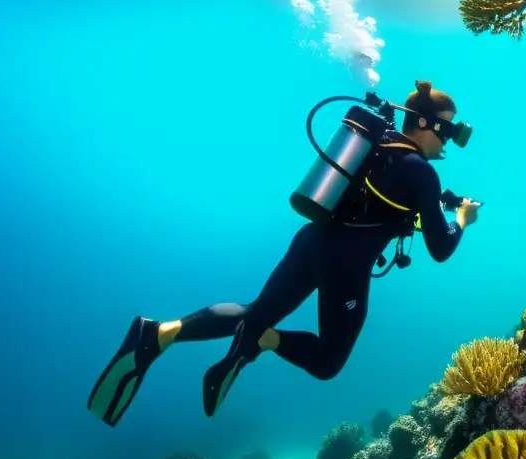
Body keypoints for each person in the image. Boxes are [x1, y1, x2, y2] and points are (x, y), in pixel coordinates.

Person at [87, 80, 480, 425]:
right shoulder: (422, 171)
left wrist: (435, 203)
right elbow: (440, 248)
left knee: (253, 312)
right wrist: (461, 218)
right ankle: (263, 341)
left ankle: (159, 333)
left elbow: (384, 205)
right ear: (429, 123)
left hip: (312, 240)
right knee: (327, 361)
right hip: (346, 264)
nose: (450, 140)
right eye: (449, 130)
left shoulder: (378, 146)